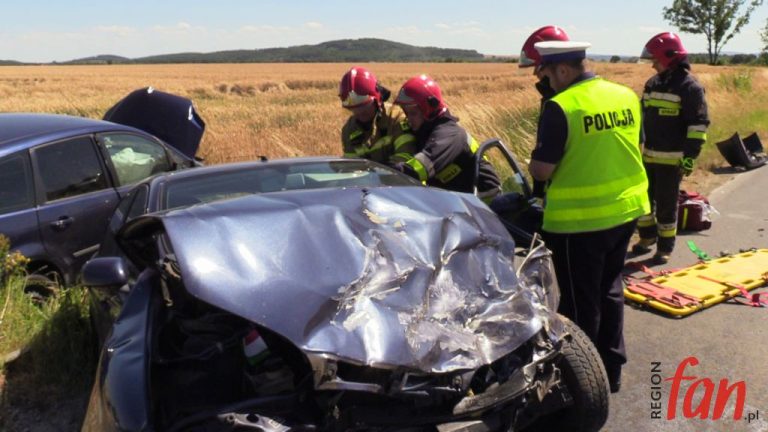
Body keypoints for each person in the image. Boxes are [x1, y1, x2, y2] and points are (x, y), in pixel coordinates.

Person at [528, 39, 650, 393]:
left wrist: (532, 167)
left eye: (548, 75)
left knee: (579, 304)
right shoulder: (624, 95)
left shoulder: (561, 105)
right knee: (610, 290)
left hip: (578, 224)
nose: (547, 83)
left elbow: (542, 171)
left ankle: (583, 383)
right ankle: (611, 369)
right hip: (625, 212)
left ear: (563, 70)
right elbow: (635, 145)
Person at [633, 33, 710, 264]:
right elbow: (640, 115)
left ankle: (665, 248)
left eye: (656, 59)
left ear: (670, 57)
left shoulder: (690, 87)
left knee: (666, 205)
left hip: (672, 160)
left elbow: (698, 126)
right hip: (647, 157)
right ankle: (647, 238)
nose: (652, 64)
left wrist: (689, 158)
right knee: (643, 201)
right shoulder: (653, 83)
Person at [391, 75, 500, 201]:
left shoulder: (449, 135)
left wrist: (386, 175)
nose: (409, 119)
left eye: (413, 113)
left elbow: (419, 168)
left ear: (428, 109)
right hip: (457, 202)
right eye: (406, 113)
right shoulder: (423, 132)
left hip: (486, 206)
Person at [519, 25, 571, 204]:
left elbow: (541, 170)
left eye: (539, 67)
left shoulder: (560, 104)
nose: (535, 73)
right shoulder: (552, 96)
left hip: (569, 208)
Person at [338, 66, 417, 165]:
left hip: (397, 179)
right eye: (353, 109)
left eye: (364, 107)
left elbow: (405, 158)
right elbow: (351, 167)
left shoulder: (396, 118)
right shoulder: (349, 129)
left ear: (377, 100)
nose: (359, 112)